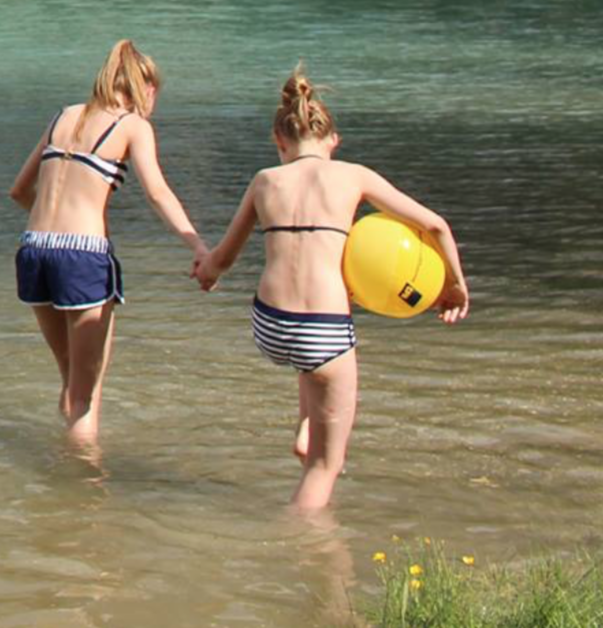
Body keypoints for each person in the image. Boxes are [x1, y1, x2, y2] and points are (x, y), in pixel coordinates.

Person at [194, 67, 469, 511]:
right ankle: (303, 542)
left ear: (278, 141)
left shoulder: (264, 181)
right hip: (321, 330)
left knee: (310, 354)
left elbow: (222, 260)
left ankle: (307, 428)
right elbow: (436, 225)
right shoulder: (353, 176)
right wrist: (455, 286)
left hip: (269, 326)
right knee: (327, 466)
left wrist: (205, 271)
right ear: (334, 141)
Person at [10, 40, 207, 446]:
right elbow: (158, 193)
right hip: (82, 255)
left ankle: (61, 465)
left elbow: (19, 191)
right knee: (86, 395)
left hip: (33, 248)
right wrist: (198, 247)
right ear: (146, 88)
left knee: (70, 377)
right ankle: (86, 477)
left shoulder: (63, 116)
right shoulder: (132, 126)